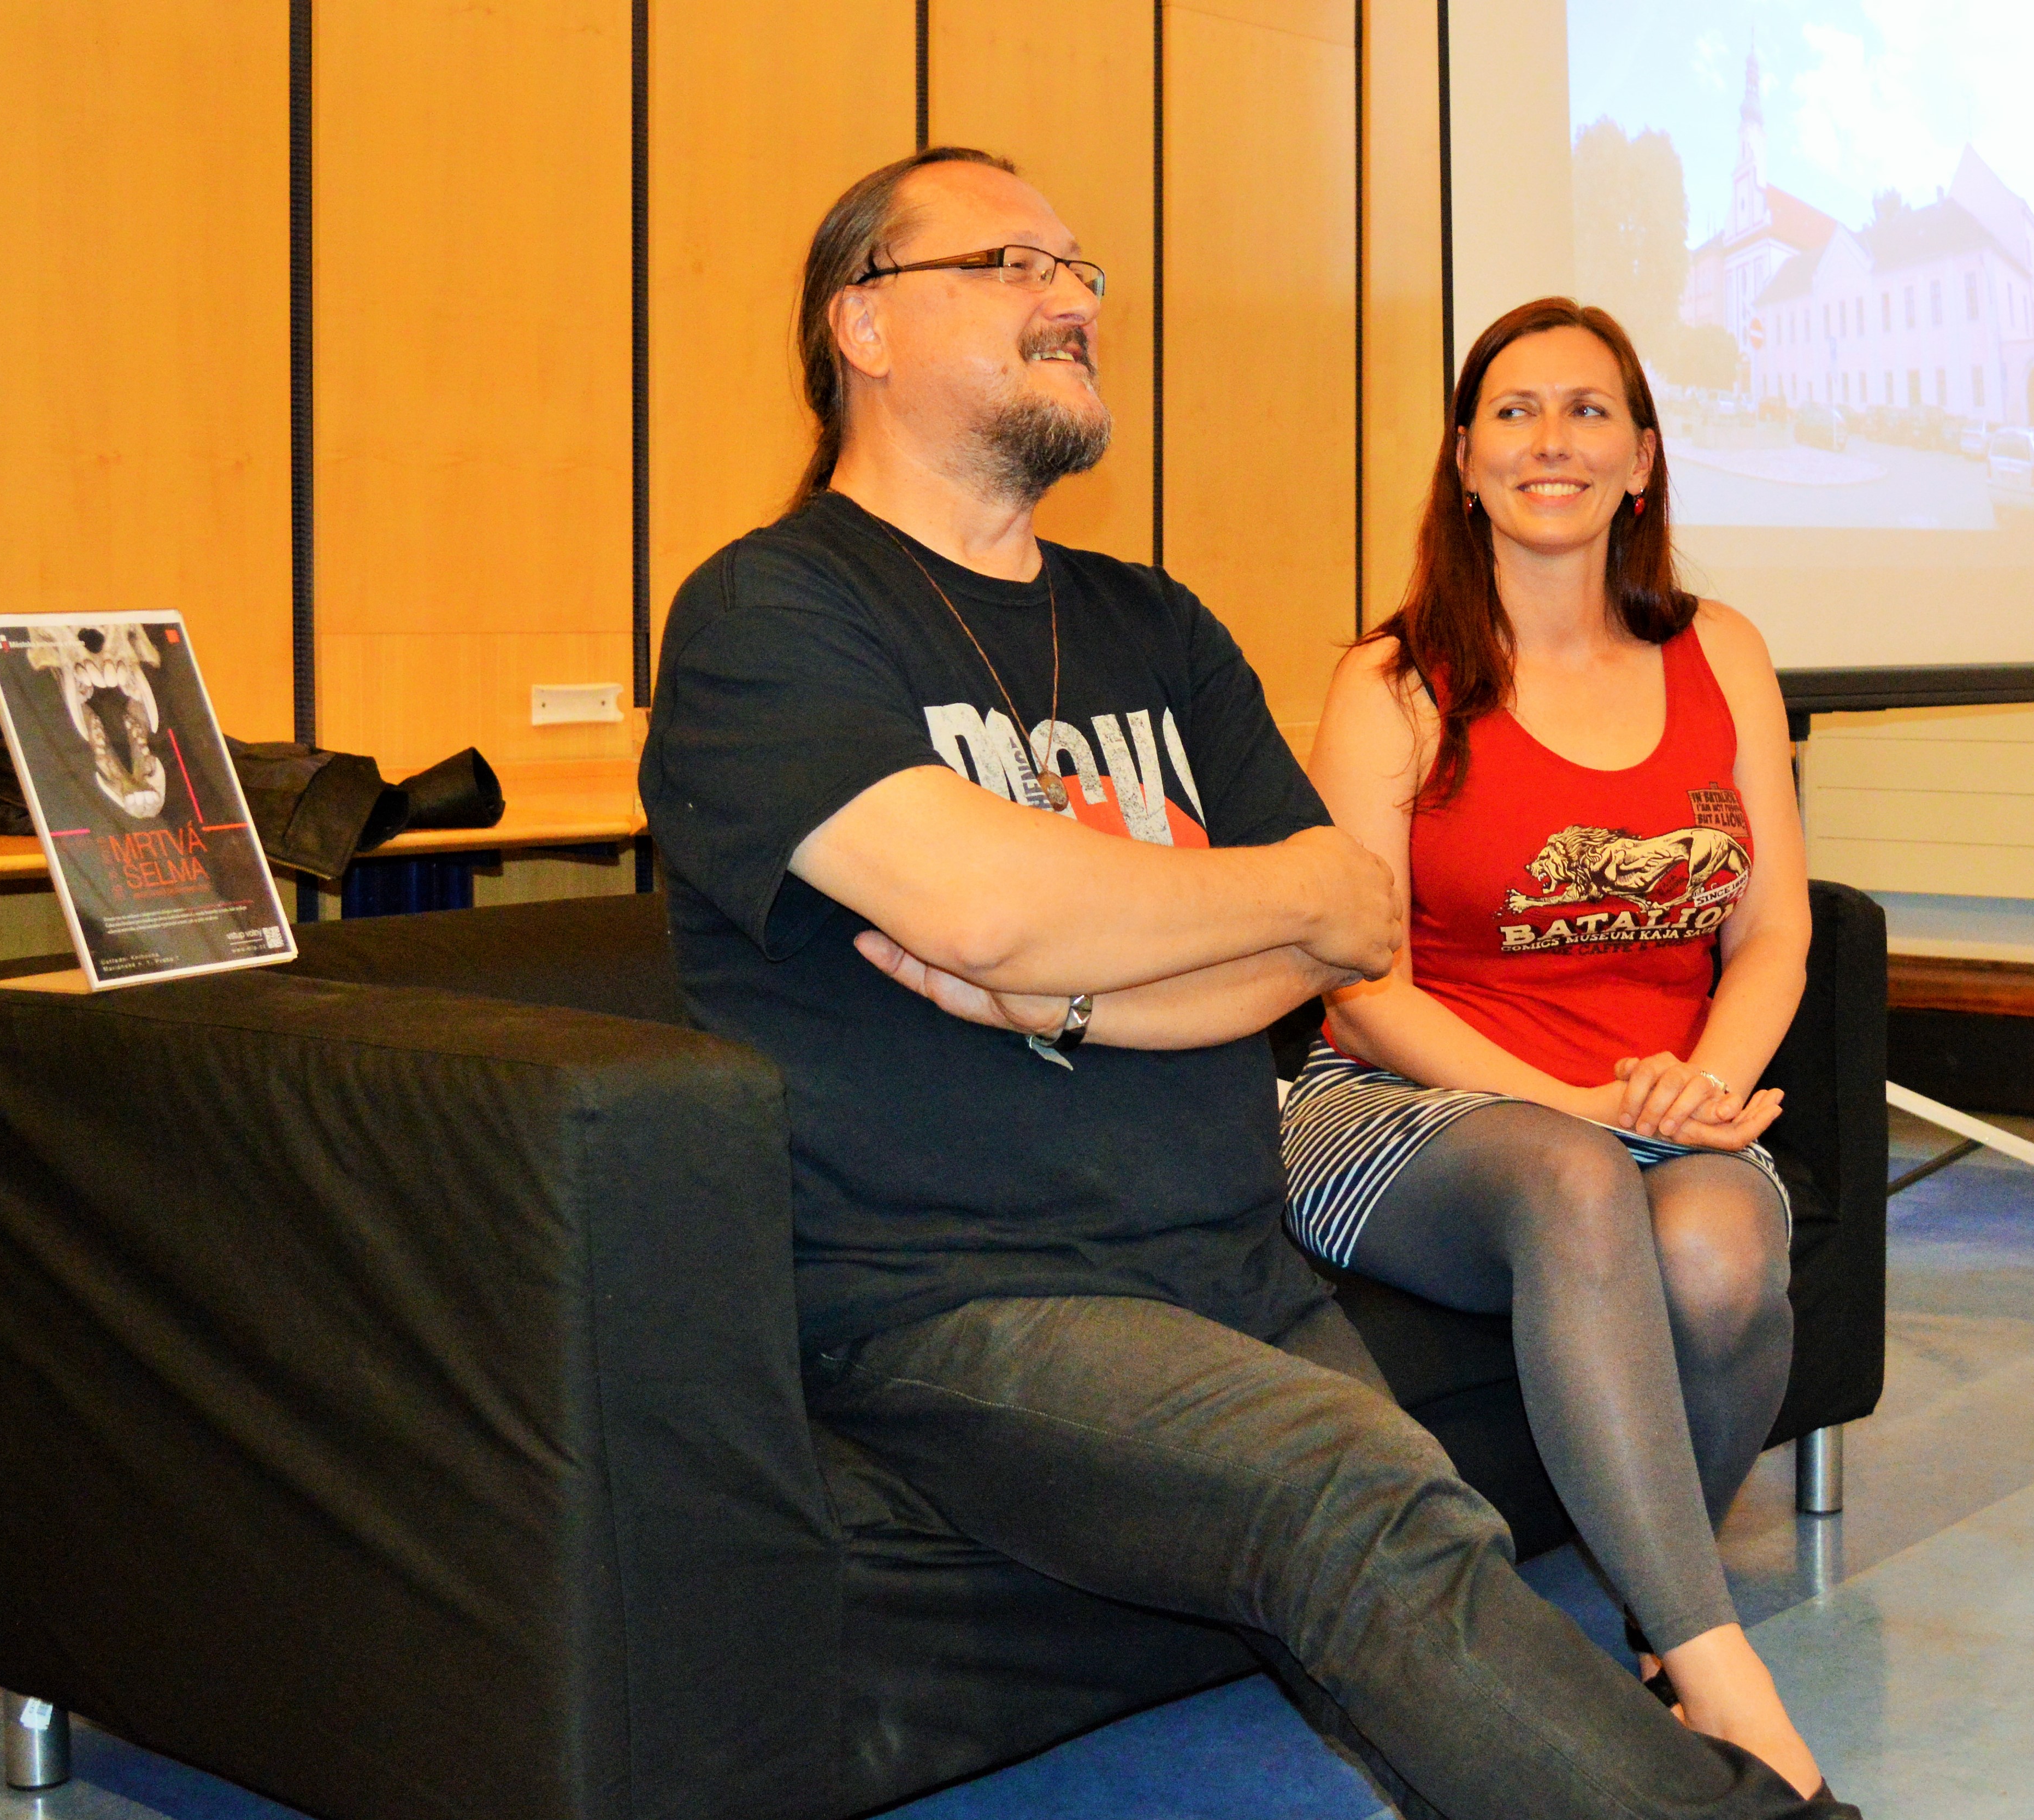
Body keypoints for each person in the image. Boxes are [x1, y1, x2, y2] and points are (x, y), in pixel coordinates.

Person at [640, 146, 1851, 1819]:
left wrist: (1076, 987)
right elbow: (986, 907)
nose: (1072, 298)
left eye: (1078, 270)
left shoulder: (1155, 626)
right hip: (954, 1295)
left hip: (1229, 1259)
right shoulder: (767, 615)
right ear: (863, 324)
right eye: (1009, 265)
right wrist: (1175, 916)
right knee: (1364, 1497)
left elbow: (1341, 926)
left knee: (1417, 1541)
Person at [1283, 296, 1825, 1795]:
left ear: (1642, 459)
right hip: (1406, 1101)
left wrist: (1703, 1087)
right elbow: (1361, 986)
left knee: (1719, 1251)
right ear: (1465, 460)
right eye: (1515, 411)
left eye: (1590, 411)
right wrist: (1582, 1106)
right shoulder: (1391, 683)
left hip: (1658, 1103)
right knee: (1576, 1180)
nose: (1552, 442)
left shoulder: (1723, 651)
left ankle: (1657, 1637)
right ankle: (1730, 1686)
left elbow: (1775, 931)